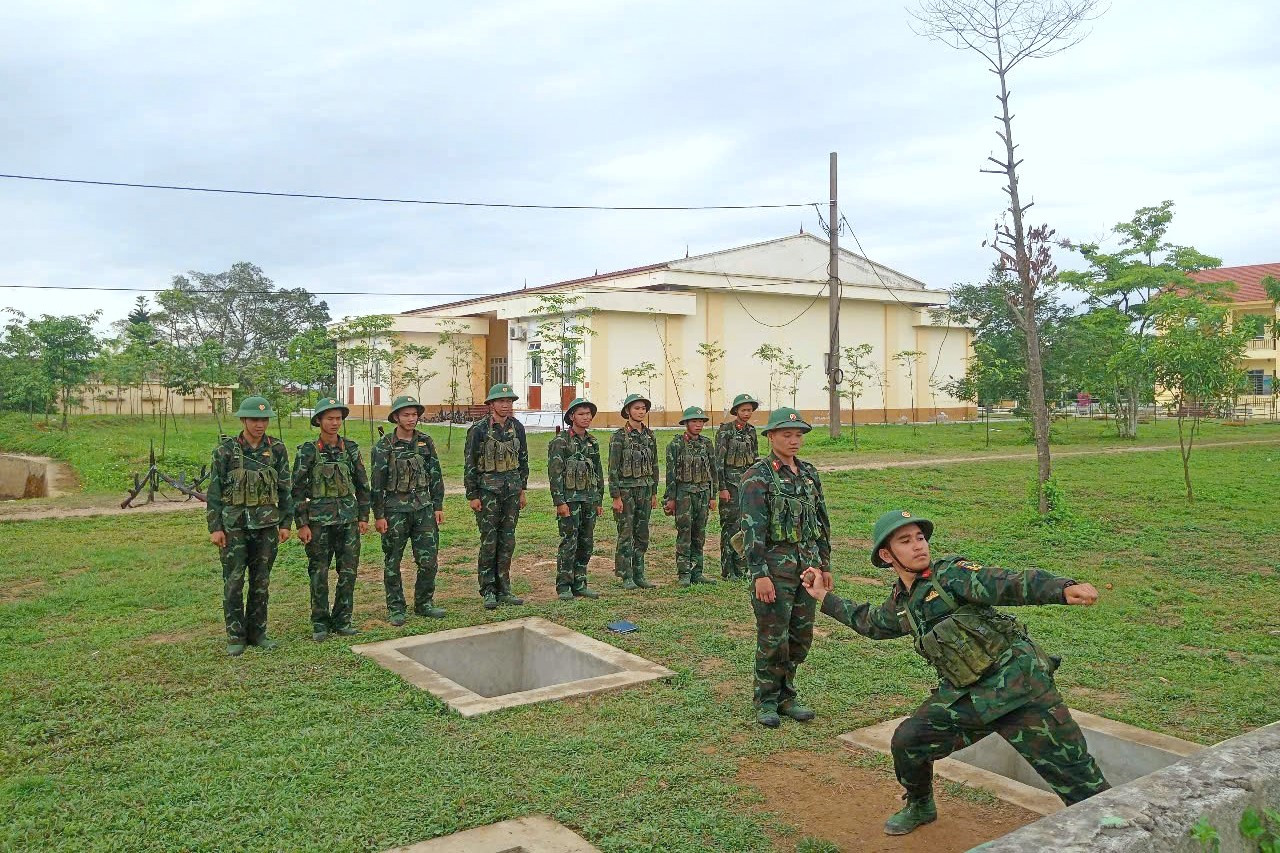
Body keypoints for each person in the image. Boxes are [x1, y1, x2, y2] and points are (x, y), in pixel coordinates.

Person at [801, 509, 1110, 836]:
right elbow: (872, 623)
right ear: (886, 555)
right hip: (969, 699)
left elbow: (1004, 582)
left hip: (1022, 692)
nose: (918, 546)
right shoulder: (904, 602)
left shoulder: (952, 575)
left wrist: (1061, 589)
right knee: (909, 741)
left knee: (1084, 787)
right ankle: (920, 804)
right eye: (906, 541)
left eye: (920, 538)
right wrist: (823, 596)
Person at [739, 407, 830, 727]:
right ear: (771, 437)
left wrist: (824, 564)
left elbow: (820, 521)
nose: (794, 440)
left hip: (806, 571)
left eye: (798, 435)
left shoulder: (809, 474)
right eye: (786, 435)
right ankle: (766, 698)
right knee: (772, 637)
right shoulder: (758, 476)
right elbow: (752, 529)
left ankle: (787, 694)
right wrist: (759, 574)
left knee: (800, 636)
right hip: (774, 571)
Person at [206, 396, 293, 656]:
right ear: (244, 420)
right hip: (234, 527)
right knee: (233, 581)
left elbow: (285, 489)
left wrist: (286, 523)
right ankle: (235, 635)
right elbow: (214, 491)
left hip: (266, 526)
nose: (259, 424)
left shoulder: (277, 449)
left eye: (264, 420)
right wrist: (215, 527)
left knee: (261, 581)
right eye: (254, 419)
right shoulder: (225, 451)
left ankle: (258, 633)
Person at [292, 396, 370, 642]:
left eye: (338, 418)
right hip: (318, 523)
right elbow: (296, 490)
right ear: (319, 421)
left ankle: (343, 619)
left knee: (348, 572)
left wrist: (363, 517)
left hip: (348, 521)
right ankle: (320, 623)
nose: (335, 423)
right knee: (319, 572)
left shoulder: (351, 448)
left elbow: (362, 485)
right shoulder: (308, 451)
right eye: (330, 418)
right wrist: (302, 523)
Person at [371, 394, 446, 625]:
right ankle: (396, 608)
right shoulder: (384, 446)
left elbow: (435, 474)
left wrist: (438, 505)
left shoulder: (425, 441)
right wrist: (379, 515)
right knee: (393, 560)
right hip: (395, 510)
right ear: (396, 417)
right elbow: (377, 483)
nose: (411, 419)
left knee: (428, 560)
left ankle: (424, 603)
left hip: (423, 508)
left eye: (414, 414)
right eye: (406, 414)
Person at [464, 383, 529, 610]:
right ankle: (488, 590)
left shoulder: (517, 428)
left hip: (511, 492)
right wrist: (473, 495)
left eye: (509, 401)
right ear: (491, 404)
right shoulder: (479, 429)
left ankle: (504, 588)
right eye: (501, 401)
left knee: (507, 541)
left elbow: (523, 461)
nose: (506, 405)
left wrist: (522, 490)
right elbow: (470, 463)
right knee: (489, 541)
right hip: (487, 492)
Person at [548, 397, 604, 601]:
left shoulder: (593, 442)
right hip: (570, 501)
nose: (586, 417)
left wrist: (598, 500)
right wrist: (559, 502)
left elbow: (598, 473)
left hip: (588, 499)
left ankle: (580, 582)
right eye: (581, 414)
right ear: (571, 417)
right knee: (569, 542)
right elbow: (555, 474)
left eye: (588, 414)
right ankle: (564, 585)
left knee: (586, 542)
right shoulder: (560, 442)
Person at [664, 405, 719, 586]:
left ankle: (697, 572)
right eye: (694, 421)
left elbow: (713, 471)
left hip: (702, 494)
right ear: (686, 423)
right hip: (684, 494)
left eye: (701, 421)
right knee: (685, 533)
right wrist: (670, 499)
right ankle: (684, 573)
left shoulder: (707, 443)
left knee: (699, 534)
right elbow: (671, 474)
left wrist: (712, 496)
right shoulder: (676, 445)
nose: (698, 425)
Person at [609, 393, 659, 591]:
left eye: (643, 408)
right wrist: (616, 496)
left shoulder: (650, 435)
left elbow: (654, 465)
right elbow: (613, 468)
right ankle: (625, 574)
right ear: (628, 411)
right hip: (626, 492)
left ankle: (639, 573)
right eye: (637, 408)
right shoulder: (619, 437)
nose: (641, 412)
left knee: (642, 534)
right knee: (626, 533)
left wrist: (653, 492)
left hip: (645, 491)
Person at [715, 392, 760, 579]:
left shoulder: (751, 431)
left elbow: (755, 458)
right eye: (743, 410)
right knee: (729, 527)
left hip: (747, 485)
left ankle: (741, 567)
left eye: (749, 410)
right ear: (736, 411)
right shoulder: (725, 431)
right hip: (730, 486)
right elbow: (719, 462)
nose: (747, 413)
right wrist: (722, 488)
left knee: (745, 526)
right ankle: (728, 569)